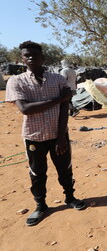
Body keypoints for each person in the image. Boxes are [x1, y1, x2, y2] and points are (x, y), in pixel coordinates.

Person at [5, 41, 86, 226]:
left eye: (35, 54)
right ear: (22, 59)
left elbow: (65, 107)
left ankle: (70, 198)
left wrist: (60, 136)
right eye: (27, 55)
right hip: (33, 136)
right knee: (37, 173)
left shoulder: (57, 79)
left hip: (58, 134)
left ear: (43, 58)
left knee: (65, 168)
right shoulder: (16, 81)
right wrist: (58, 98)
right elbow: (25, 108)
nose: (31, 57)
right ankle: (40, 205)